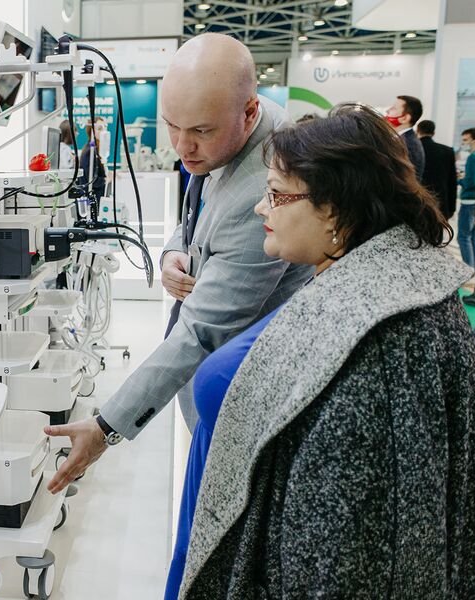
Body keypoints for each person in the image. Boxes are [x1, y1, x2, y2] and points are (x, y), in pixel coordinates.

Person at [179, 103, 475, 599]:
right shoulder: (371, 289)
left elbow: (352, 557)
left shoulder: (373, 346)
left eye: (276, 195)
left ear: (335, 209)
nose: (261, 209)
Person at [42, 33, 312, 496]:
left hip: (242, 403)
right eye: (172, 126)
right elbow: (198, 216)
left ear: (249, 113)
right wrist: (173, 253)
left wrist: (106, 426)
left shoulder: (262, 184)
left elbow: (202, 332)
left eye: (201, 131)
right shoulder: (234, 125)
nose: (183, 147)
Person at [459, 127, 475, 296]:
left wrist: (460, 180)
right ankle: (473, 269)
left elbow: (471, 180)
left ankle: (468, 271)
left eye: (465, 140)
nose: (463, 143)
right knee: (474, 237)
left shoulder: (473, 157)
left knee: (464, 236)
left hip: (469, 201)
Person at [417, 120, 457, 218]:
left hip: (418, 200)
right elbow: (452, 181)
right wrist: (451, 208)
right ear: (433, 133)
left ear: (418, 131)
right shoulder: (447, 151)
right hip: (440, 203)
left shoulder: (413, 149)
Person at [384, 95, 425, 181]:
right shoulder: (401, 140)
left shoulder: (408, 145)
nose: (387, 111)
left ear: (404, 118)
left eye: (394, 108)